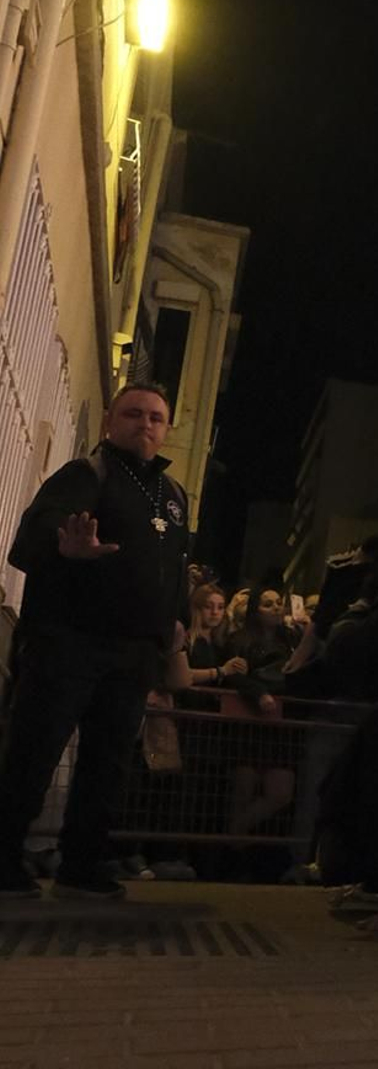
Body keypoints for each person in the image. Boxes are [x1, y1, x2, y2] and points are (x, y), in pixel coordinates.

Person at [0, 383, 188, 898]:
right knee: (34, 750)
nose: (145, 424)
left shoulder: (174, 497)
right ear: (110, 421)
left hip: (133, 655)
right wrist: (67, 547)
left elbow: (176, 568)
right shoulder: (85, 474)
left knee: (109, 762)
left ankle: (82, 862)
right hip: (69, 641)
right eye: (133, 414)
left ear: (166, 428)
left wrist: (175, 626)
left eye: (155, 417)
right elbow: (33, 536)